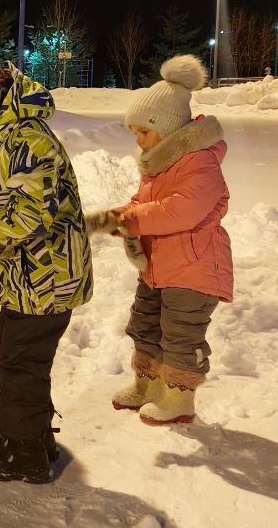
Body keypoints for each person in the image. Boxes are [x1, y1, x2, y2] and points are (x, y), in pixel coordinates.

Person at [0, 42, 93, 483]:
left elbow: (30, 214)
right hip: (34, 278)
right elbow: (8, 198)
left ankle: (24, 452)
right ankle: (35, 436)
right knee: (22, 357)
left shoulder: (24, 140)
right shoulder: (8, 138)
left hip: (45, 278)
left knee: (19, 365)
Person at [88, 54, 233, 426]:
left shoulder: (200, 162)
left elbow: (181, 211)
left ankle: (178, 400)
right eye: (134, 132)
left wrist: (132, 219)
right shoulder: (159, 163)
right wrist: (117, 217)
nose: (138, 140)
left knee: (180, 336)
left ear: (168, 127)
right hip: (158, 267)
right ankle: (148, 387)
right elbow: (143, 205)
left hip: (192, 269)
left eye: (144, 131)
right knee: (145, 324)